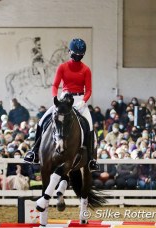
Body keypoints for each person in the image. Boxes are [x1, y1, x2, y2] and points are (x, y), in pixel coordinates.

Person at [24, 38, 99, 171]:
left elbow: (89, 90)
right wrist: (55, 97)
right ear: (70, 52)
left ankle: (91, 160)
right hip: (64, 99)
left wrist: (83, 101)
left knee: (90, 126)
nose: (77, 57)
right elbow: (55, 85)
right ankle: (34, 152)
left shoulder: (86, 70)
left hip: (79, 99)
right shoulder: (62, 67)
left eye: (80, 55)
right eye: (75, 54)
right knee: (42, 121)